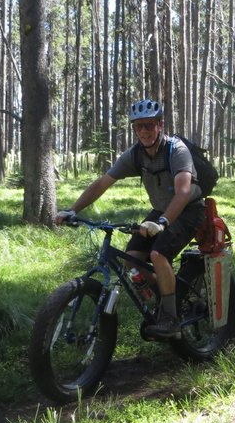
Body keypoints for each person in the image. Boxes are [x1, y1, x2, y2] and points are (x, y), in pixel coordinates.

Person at [55, 99, 205, 338]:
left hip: (189, 208)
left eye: (149, 125)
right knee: (131, 261)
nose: (144, 131)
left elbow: (183, 192)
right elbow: (102, 183)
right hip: (161, 210)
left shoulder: (176, 150)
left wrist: (163, 223)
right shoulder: (135, 155)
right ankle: (168, 297)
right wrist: (73, 210)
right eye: (138, 127)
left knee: (158, 254)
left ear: (160, 125)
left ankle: (171, 318)